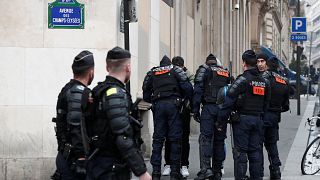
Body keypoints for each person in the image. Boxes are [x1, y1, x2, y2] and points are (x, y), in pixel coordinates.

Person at [85, 47, 151, 180]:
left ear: (107, 67)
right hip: (110, 167)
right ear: (127, 67)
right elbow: (122, 137)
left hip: (99, 165)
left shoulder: (98, 91)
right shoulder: (115, 94)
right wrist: (141, 172)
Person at [217, 50, 270, 180]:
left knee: (240, 154)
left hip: (242, 121)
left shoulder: (241, 80)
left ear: (244, 63)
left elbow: (228, 102)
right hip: (257, 120)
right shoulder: (264, 82)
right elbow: (266, 104)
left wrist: (220, 121)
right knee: (255, 153)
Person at [142, 55, 193, 180]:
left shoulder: (153, 72)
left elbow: (145, 91)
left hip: (158, 106)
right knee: (175, 139)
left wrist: (152, 100)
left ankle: (156, 173)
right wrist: (184, 100)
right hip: (173, 106)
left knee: (158, 140)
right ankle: (175, 173)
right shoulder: (175, 71)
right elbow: (188, 88)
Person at [51, 50, 95, 180]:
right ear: (90, 71)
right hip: (74, 160)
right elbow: (76, 125)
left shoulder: (67, 89)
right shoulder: (78, 92)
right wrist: (81, 157)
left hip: (66, 157)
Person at [192, 54, 232, 180]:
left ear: (207, 62)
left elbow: (198, 91)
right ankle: (217, 171)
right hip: (222, 110)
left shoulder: (204, 70)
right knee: (219, 140)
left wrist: (195, 110)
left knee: (205, 139)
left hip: (209, 109)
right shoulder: (225, 72)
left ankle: (205, 169)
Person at [162, 56, 193, 178]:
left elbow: (192, 90)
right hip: (172, 109)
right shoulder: (168, 74)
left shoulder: (188, 74)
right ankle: (169, 164)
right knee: (170, 137)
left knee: (184, 138)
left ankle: (184, 165)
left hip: (184, 109)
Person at [261, 56, 290, 180]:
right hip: (275, 117)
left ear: (267, 65)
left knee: (257, 145)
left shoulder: (264, 77)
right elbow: (286, 105)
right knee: (272, 144)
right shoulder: (284, 80)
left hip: (262, 115)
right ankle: (276, 170)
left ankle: (258, 171)